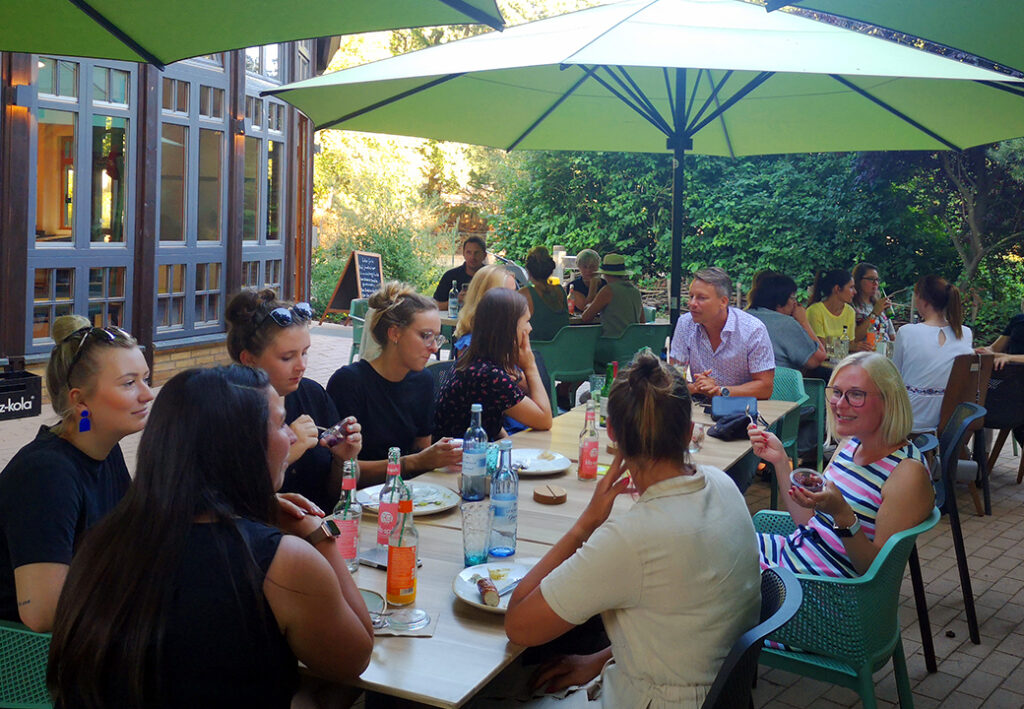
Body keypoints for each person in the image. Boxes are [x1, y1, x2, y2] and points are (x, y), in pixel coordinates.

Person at [47, 366, 374, 708]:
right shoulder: (281, 561)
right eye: (279, 424)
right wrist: (318, 533)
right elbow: (356, 658)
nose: (291, 438)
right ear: (239, 447)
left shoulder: (103, 541)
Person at [503, 351, 760, 707]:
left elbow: (518, 625)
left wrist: (585, 525)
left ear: (611, 432)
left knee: (504, 695)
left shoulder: (632, 538)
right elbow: (682, 616)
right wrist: (602, 658)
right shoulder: (722, 485)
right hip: (710, 692)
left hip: (660, 699)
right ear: (689, 432)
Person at [0, 316, 151, 631]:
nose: (147, 394)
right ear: (80, 400)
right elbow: (43, 614)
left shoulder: (103, 453)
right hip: (26, 663)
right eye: (129, 383)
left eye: (145, 379)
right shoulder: (46, 475)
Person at [750, 352, 933, 578]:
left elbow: (876, 573)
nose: (839, 404)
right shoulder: (850, 444)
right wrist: (779, 460)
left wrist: (842, 514)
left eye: (856, 395)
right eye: (836, 392)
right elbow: (808, 523)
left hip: (823, 590)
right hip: (793, 557)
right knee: (714, 544)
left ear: (889, 401)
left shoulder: (906, 473)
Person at [226, 289, 362, 511]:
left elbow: (336, 498)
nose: (301, 365)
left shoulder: (312, 395)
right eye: (287, 357)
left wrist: (344, 461)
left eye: (305, 352)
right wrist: (287, 454)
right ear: (249, 359)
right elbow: (228, 502)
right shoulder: (225, 410)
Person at [327, 282, 461, 484]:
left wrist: (441, 457)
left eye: (437, 338)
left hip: (409, 495)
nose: (434, 348)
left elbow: (422, 451)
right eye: (426, 336)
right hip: (360, 502)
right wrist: (414, 462)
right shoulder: (348, 383)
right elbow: (341, 469)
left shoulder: (423, 380)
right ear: (394, 333)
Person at [435, 288, 552, 440]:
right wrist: (530, 367)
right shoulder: (487, 374)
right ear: (508, 328)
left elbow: (493, 426)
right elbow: (544, 419)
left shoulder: (478, 362)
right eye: (527, 321)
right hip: (461, 459)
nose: (530, 329)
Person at [669, 266, 775, 399]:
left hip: (742, 411)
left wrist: (720, 391)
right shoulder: (685, 324)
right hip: (699, 406)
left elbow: (765, 387)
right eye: (691, 296)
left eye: (701, 298)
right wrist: (697, 387)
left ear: (723, 302)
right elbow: (675, 378)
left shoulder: (753, 330)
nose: (692, 303)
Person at [893, 275, 973, 433]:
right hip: (953, 419)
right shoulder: (965, 333)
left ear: (924, 301)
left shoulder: (907, 332)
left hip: (912, 418)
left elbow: (895, 377)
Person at [747, 271, 828, 373]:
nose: (795, 303)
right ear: (780, 302)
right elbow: (818, 358)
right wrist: (803, 321)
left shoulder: (744, 318)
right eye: (792, 298)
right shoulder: (786, 324)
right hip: (780, 386)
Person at [454, 264, 519, 357]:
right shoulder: (471, 346)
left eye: (515, 292)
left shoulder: (507, 337)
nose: (516, 299)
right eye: (509, 294)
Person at [580, 254, 645, 338]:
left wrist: (590, 306)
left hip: (613, 343)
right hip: (633, 342)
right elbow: (642, 321)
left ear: (604, 274)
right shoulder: (635, 291)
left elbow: (586, 317)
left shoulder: (608, 290)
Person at [520, 246, 570, 341]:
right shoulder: (560, 291)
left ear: (528, 270)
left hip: (537, 352)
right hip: (563, 352)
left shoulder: (525, 294)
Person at [432, 235, 488, 310]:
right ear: (463, 254)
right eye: (469, 252)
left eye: (476, 253)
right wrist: (456, 300)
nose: (472, 257)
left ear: (484, 255)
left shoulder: (491, 276)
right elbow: (435, 306)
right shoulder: (450, 276)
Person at [851, 262, 895, 350]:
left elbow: (892, 335)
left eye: (877, 280)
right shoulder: (852, 306)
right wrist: (874, 313)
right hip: (866, 356)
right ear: (858, 281)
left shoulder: (879, 303)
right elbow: (855, 337)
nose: (875, 283)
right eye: (871, 279)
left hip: (885, 354)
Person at [805, 269, 857, 343]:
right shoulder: (814, 311)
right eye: (851, 287)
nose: (855, 292)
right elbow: (820, 347)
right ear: (837, 289)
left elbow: (851, 343)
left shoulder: (850, 311)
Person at [566, 248, 606, 313]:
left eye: (592, 266)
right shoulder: (574, 286)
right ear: (579, 267)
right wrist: (593, 285)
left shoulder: (604, 284)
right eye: (585, 267)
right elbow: (585, 308)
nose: (588, 270)